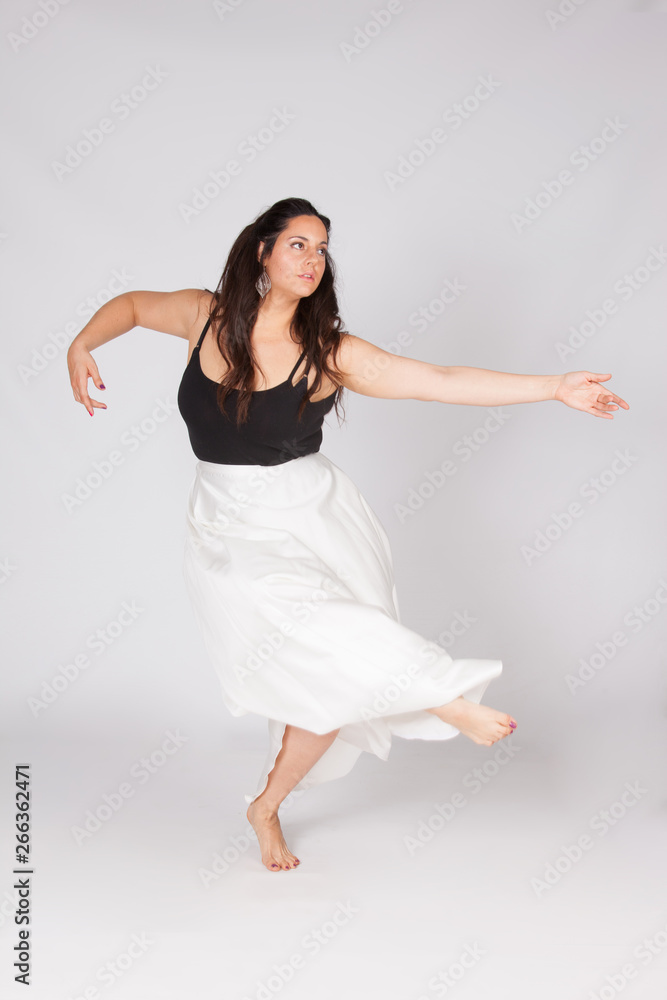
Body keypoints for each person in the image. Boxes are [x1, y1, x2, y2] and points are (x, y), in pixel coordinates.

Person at [66, 196, 629, 874]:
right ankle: (443, 697)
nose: (313, 259)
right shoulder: (202, 315)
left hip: (310, 513)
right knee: (309, 632)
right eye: (298, 244)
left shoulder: (328, 352)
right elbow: (130, 305)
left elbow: (440, 381)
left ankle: (267, 804)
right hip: (225, 519)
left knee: (328, 674)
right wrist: (82, 343)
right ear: (262, 252)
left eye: (322, 248)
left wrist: (553, 386)